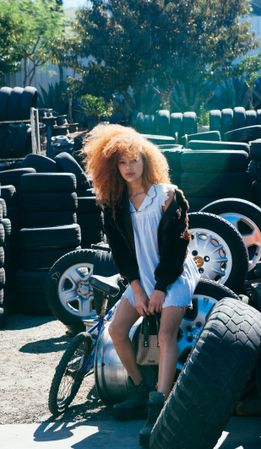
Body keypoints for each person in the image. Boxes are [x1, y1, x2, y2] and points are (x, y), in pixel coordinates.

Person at [84, 124, 200, 446]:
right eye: (123, 162)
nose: (130, 167)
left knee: (165, 332)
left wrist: (161, 288)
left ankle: (158, 405)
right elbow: (120, 252)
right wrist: (137, 289)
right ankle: (140, 390)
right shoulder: (113, 202)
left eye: (135, 160)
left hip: (173, 275)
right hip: (141, 279)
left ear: (146, 161)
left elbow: (179, 245)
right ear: (113, 166)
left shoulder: (167, 196)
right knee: (117, 330)